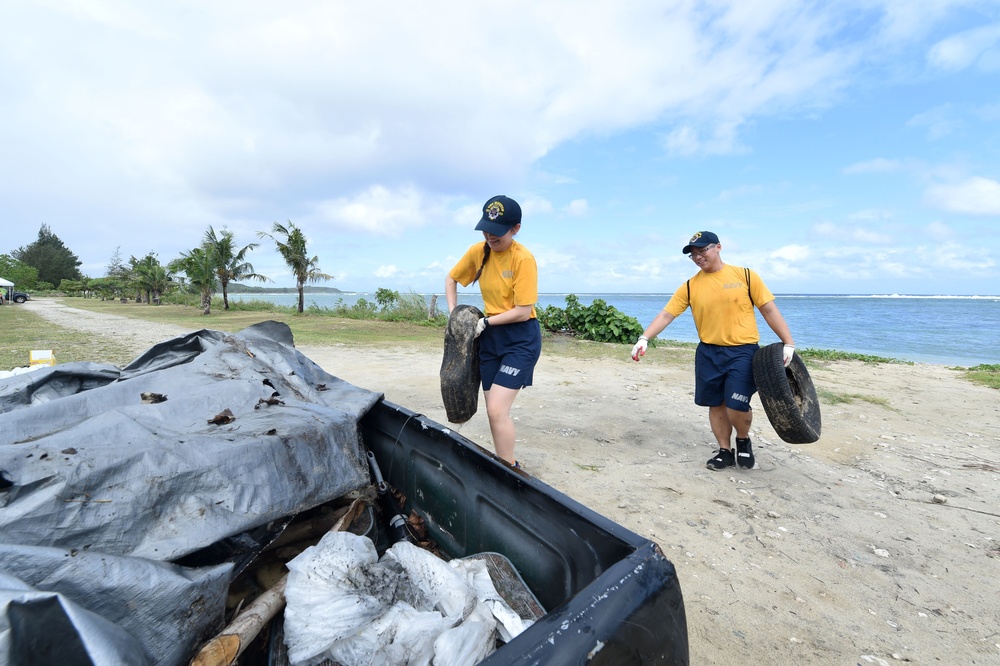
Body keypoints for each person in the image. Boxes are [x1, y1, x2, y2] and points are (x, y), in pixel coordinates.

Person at [631, 231, 796, 471]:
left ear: (718, 247)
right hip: (708, 353)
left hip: (743, 351)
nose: (698, 257)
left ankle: (742, 439)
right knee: (716, 404)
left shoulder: (746, 276)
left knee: (736, 404)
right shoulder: (690, 286)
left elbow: (768, 310)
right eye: (693, 254)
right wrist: (644, 338)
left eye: (703, 250)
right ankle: (724, 451)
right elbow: (667, 314)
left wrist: (788, 342)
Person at [445, 195, 541, 468]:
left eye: (497, 231)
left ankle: (510, 469)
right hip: (490, 339)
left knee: (497, 409)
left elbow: (523, 310)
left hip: (520, 338)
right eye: (486, 228)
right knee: (493, 411)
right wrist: (454, 315)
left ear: (516, 229)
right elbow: (451, 278)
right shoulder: (479, 251)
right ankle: (504, 464)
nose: (490, 235)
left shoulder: (523, 259)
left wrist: (485, 322)